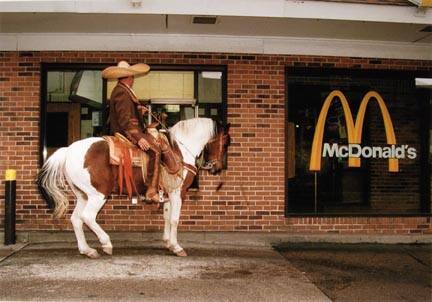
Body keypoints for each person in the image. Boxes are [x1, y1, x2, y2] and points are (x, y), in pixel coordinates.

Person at [102, 61, 161, 203]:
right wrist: (138, 137)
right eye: (132, 76)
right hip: (126, 133)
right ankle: (151, 189)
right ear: (128, 77)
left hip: (126, 130)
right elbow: (125, 120)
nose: (133, 79)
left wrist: (139, 110)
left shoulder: (122, 90)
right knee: (156, 151)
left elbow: (127, 113)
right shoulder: (122, 92)